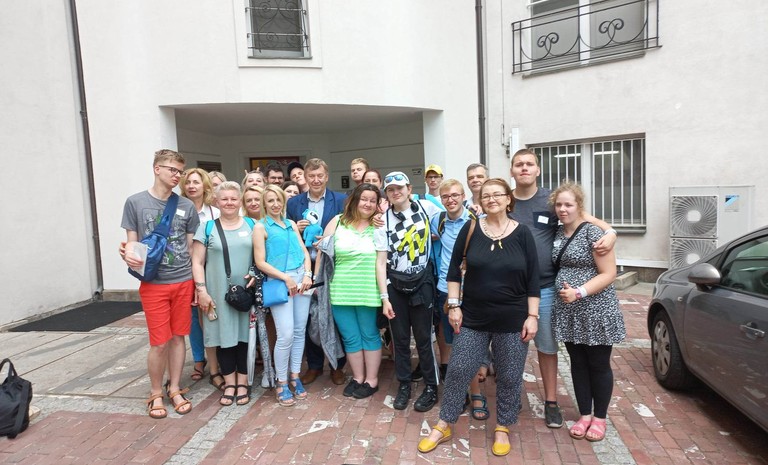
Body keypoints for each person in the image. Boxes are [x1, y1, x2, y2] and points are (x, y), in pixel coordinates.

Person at [419, 178, 540, 457]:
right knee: (459, 369)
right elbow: (453, 271)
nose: (492, 199)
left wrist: (532, 316)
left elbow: (533, 279)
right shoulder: (471, 228)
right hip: (473, 315)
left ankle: (503, 426)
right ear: (480, 201)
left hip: (513, 318)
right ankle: (444, 424)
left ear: (508, 199)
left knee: (509, 375)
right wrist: (454, 306)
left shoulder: (522, 233)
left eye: (498, 194)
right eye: (486, 196)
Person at [509, 148, 617, 428]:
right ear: (512, 171)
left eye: (529, 164)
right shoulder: (505, 200)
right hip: (512, 290)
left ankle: (551, 402)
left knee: (547, 347)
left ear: (538, 170)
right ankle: (511, 396)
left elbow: (585, 217)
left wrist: (610, 231)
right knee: (511, 346)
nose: (524, 168)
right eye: (519, 164)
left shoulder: (552, 201)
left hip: (545, 288)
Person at [120, 149, 199, 419]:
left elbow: (190, 247)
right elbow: (132, 241)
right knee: (159, 342)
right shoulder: (135, 202)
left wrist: (197, 284)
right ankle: (155, 392)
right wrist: (128, 255)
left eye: (180, 171)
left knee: (178, 338)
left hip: (183, 280)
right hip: (154, 283)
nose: (177, 176)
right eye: (172, 170)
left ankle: (174, 388)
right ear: (157, 169)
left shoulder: (186, 205)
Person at [550, 182, 625, 442]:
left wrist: (579, 292)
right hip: (570, 312)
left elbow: (609, 273)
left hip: (596, 309)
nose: (563, 209)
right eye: (559, 205)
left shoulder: (593, 233)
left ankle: (600, 418)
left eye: (568, 204)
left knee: (598, 363)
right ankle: (584, 414)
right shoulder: (558, 232)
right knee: (578, 363)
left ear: (579, 206)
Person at [375, 171, 442, 412]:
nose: (396, 192)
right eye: (390, 189)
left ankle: (431, 386)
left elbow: (452, 217)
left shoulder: (426, 207)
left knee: (424, 338)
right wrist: (384, 298)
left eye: (400, 188)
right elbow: (380, 262)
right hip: (395, 286)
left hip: (422, 283)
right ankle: (404, 384)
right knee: (400, 339)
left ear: (409, 188)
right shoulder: (382, 220)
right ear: (387, 194)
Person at [315, 183, 382, 399]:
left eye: (372, 200)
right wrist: (316, 283)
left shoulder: (379, 225)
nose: (368, 204)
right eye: (364, 199)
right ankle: (358, 378)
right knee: (350, 337)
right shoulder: (338, 221)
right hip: (340, 291)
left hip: (368, 291)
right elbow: (323, 253)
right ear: (354, 200)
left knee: (369, 335)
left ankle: (372, 380)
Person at [191, 181, 254, 406]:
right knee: (223, 338)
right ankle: (229, 383)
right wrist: (202, 291)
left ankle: (243, 382)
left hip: (246, 294)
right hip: (217, 292)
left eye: (233, 199)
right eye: (224, 199)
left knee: (244, 338)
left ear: (240, 201)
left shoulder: (252, 224)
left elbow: (262, 256)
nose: (229, 203)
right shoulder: (207, 228)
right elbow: (197, 262)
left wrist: (255, 273)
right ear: (216, 202)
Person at [286, 158, 349, 386]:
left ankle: (337, 366)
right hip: (303, 266)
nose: (315, 180)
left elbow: (348, 229)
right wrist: (297, 229)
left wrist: (331, 238)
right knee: (308, 316)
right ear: (305, 177)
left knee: (332, 316)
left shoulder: (340, 200)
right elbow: (287, 233)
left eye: (320, 176)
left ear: (326, 176)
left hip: (331, 266)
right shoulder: (294, 203)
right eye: (311, 176)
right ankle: (314, 366)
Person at [429, 179, 486, 419]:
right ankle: (462, 391)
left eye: (455, 195)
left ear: (463, 196)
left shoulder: (477, 220)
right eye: (445, 196)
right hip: (446, 289)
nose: (450, 200)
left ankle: (475, 392)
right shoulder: (437, 220)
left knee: (469, 344)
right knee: (453, 342)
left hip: (472, 290)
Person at [253, 184, 314, 406]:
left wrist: (307, 274)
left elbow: (304, 252)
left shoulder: (290, 224)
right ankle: (281, 381)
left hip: (301, 280)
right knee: (285, 334)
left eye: (278, 199)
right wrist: (286, 278)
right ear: (264, 203)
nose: (275, 204)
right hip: (279, 282)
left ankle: (295, 376)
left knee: (299, 331)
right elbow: (260, 262)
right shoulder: (260, 227)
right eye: (270, 200)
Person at [179, 168, 222, 388]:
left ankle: (217, 360)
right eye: (188, 182)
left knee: (210, 316)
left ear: (205, 186)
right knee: (193, 320)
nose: (191, 186)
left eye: (196, 182)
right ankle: (198, 359)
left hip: (210, 271)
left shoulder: (215, 213)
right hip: (185, 270)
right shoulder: (177, 211)